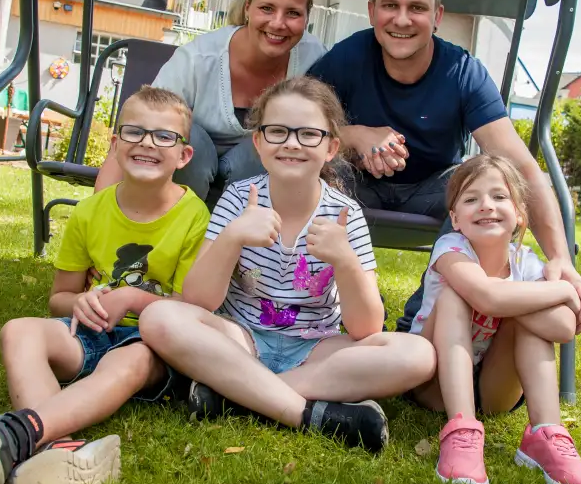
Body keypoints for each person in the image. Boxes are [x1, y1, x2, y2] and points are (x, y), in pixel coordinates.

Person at [139, 76, 436, 452]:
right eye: (278, 131)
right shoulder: (237, 199)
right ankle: (308, 411)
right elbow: (199, 300)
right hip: (241, 339)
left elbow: (366, 327)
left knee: (418, 355)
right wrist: (233, 237)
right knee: (160, 317)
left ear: (331, 147)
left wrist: (344, 260)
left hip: (316, 351)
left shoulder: (346, 215)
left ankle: (237, 394)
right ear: (259, 143)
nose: (292, 143)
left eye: (308, 134)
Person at [0, 87, 210, 484]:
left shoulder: (194, 215)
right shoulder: (90, 212)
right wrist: (79, 304)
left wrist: (130, 297)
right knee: (18, 331)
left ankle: (21, 434)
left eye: (164, 136)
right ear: (114, 145)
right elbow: (59, 297)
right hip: (88, 330)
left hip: (153, 344)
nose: (147, 143)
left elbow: (193, 305)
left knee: (126, 360)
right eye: (134, 132)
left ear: (183, 156)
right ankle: (57, 453)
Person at [307, 0, 581, 332]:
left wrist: (559, 258)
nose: (402, 19)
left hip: (435, 187)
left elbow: (522, 168)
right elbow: (300, 128)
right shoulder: (348, 56)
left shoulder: (463, 72)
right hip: (357, 185)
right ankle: (315, 311)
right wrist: (356, 135)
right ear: (373, 11)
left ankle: (418, 328)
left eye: (417, 8)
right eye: (391, 6)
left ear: (438, 16)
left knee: (478, 189)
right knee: (314, 173)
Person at [409, 154, 581, 484]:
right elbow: (485, 297)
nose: (486, 206)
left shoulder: (524, 262)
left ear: (519, 214)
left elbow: (562, 328)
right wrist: (558, 290)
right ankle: (462, 429)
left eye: (499, 197)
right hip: (434, 384)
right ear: (455, 218)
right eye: (471, 199)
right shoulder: (451, 249)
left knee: (529, 317)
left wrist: (512, 299)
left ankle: (546, 435)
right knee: (457, 295)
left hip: (497, 392)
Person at [95, 0, 326, 201]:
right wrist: (98, 214)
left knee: (273, 143)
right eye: (267, 8)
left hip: (253, 173)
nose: (278, 23)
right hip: (189, 168)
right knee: (181, 135)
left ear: (307, 17)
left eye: (293, 13)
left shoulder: (314, 58)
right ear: (248, 7)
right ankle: (175, 227)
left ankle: (246, 235)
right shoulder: (197, 59)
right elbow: (142, 126)